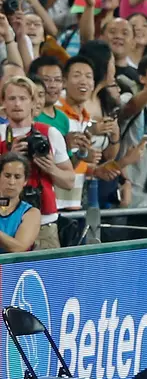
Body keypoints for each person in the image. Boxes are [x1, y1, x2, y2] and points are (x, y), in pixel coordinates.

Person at [0, 76, 75, 250]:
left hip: (44, 222)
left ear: (33, 102)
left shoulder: (50, 134)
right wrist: (9, 157)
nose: (17, 104)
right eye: (12, 98)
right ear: (4, 102)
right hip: (4, 221)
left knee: (46, 276)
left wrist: (51, 168)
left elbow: (69, 181)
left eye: (23, 98)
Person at [0, 153, 41, 252]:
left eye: (17, 177)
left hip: (14, 267)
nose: (12, 182)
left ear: (25, 181)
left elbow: (19, 248)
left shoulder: (31, 213)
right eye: (7, 176)